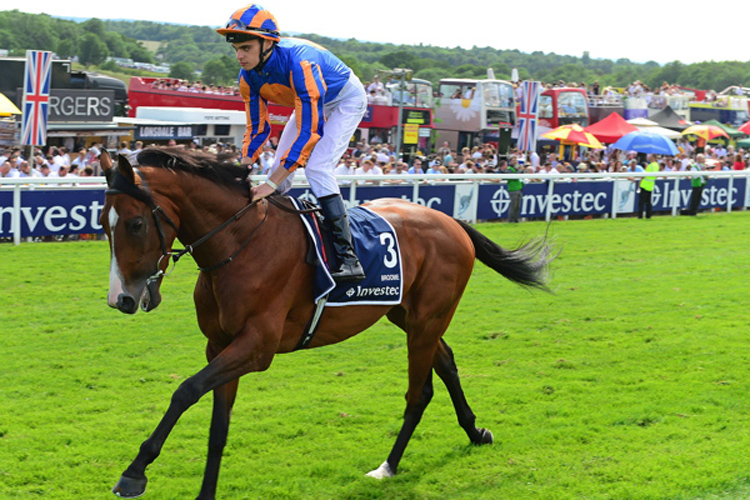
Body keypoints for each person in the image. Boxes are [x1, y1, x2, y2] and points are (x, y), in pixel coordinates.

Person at [217, 4, 368, 281]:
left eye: (246, 48)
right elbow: (258, 128)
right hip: (309, 101)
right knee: (278, 166)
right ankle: (272, 239)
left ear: (266, 43)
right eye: (236, 48)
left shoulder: (301, 63)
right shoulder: (247, 76)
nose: (239, 56)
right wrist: (244, 165)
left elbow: (309, 134)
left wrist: (270, 184)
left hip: (345, 99)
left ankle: (348, 258)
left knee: (317, 168)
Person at [638, 154, 660, 219]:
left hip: (645, 184)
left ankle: (640, 216)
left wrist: (640, 182)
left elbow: (644, 175)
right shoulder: (657, 165)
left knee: (641, 202)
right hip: (651, 185)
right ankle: (648, 215)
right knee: (648, 202)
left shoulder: (650, 165)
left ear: (653, 157)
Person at [506, 156, 523, 223]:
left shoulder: (516, 169)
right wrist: (518, 170)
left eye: (516, 160)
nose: (515, 161)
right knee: (513, 206)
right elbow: (514, 177)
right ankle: (511, 219)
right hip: (513, 189)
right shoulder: (509, 169)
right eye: (513, 160)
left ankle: (516, 219)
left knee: (518, 206)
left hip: (519, 188)